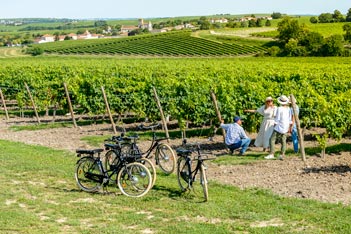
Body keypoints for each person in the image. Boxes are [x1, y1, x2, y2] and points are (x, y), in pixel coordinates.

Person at [265, 95, 292, 160]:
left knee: (272, 139)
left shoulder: (279, 108)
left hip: (279, 126)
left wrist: (274, 125)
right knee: (283, 141)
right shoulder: (288, 109)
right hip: (285, 126)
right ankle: (282, 154)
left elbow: (277, 119)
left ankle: (271, 154)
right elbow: (290, 118)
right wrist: (289, 127)